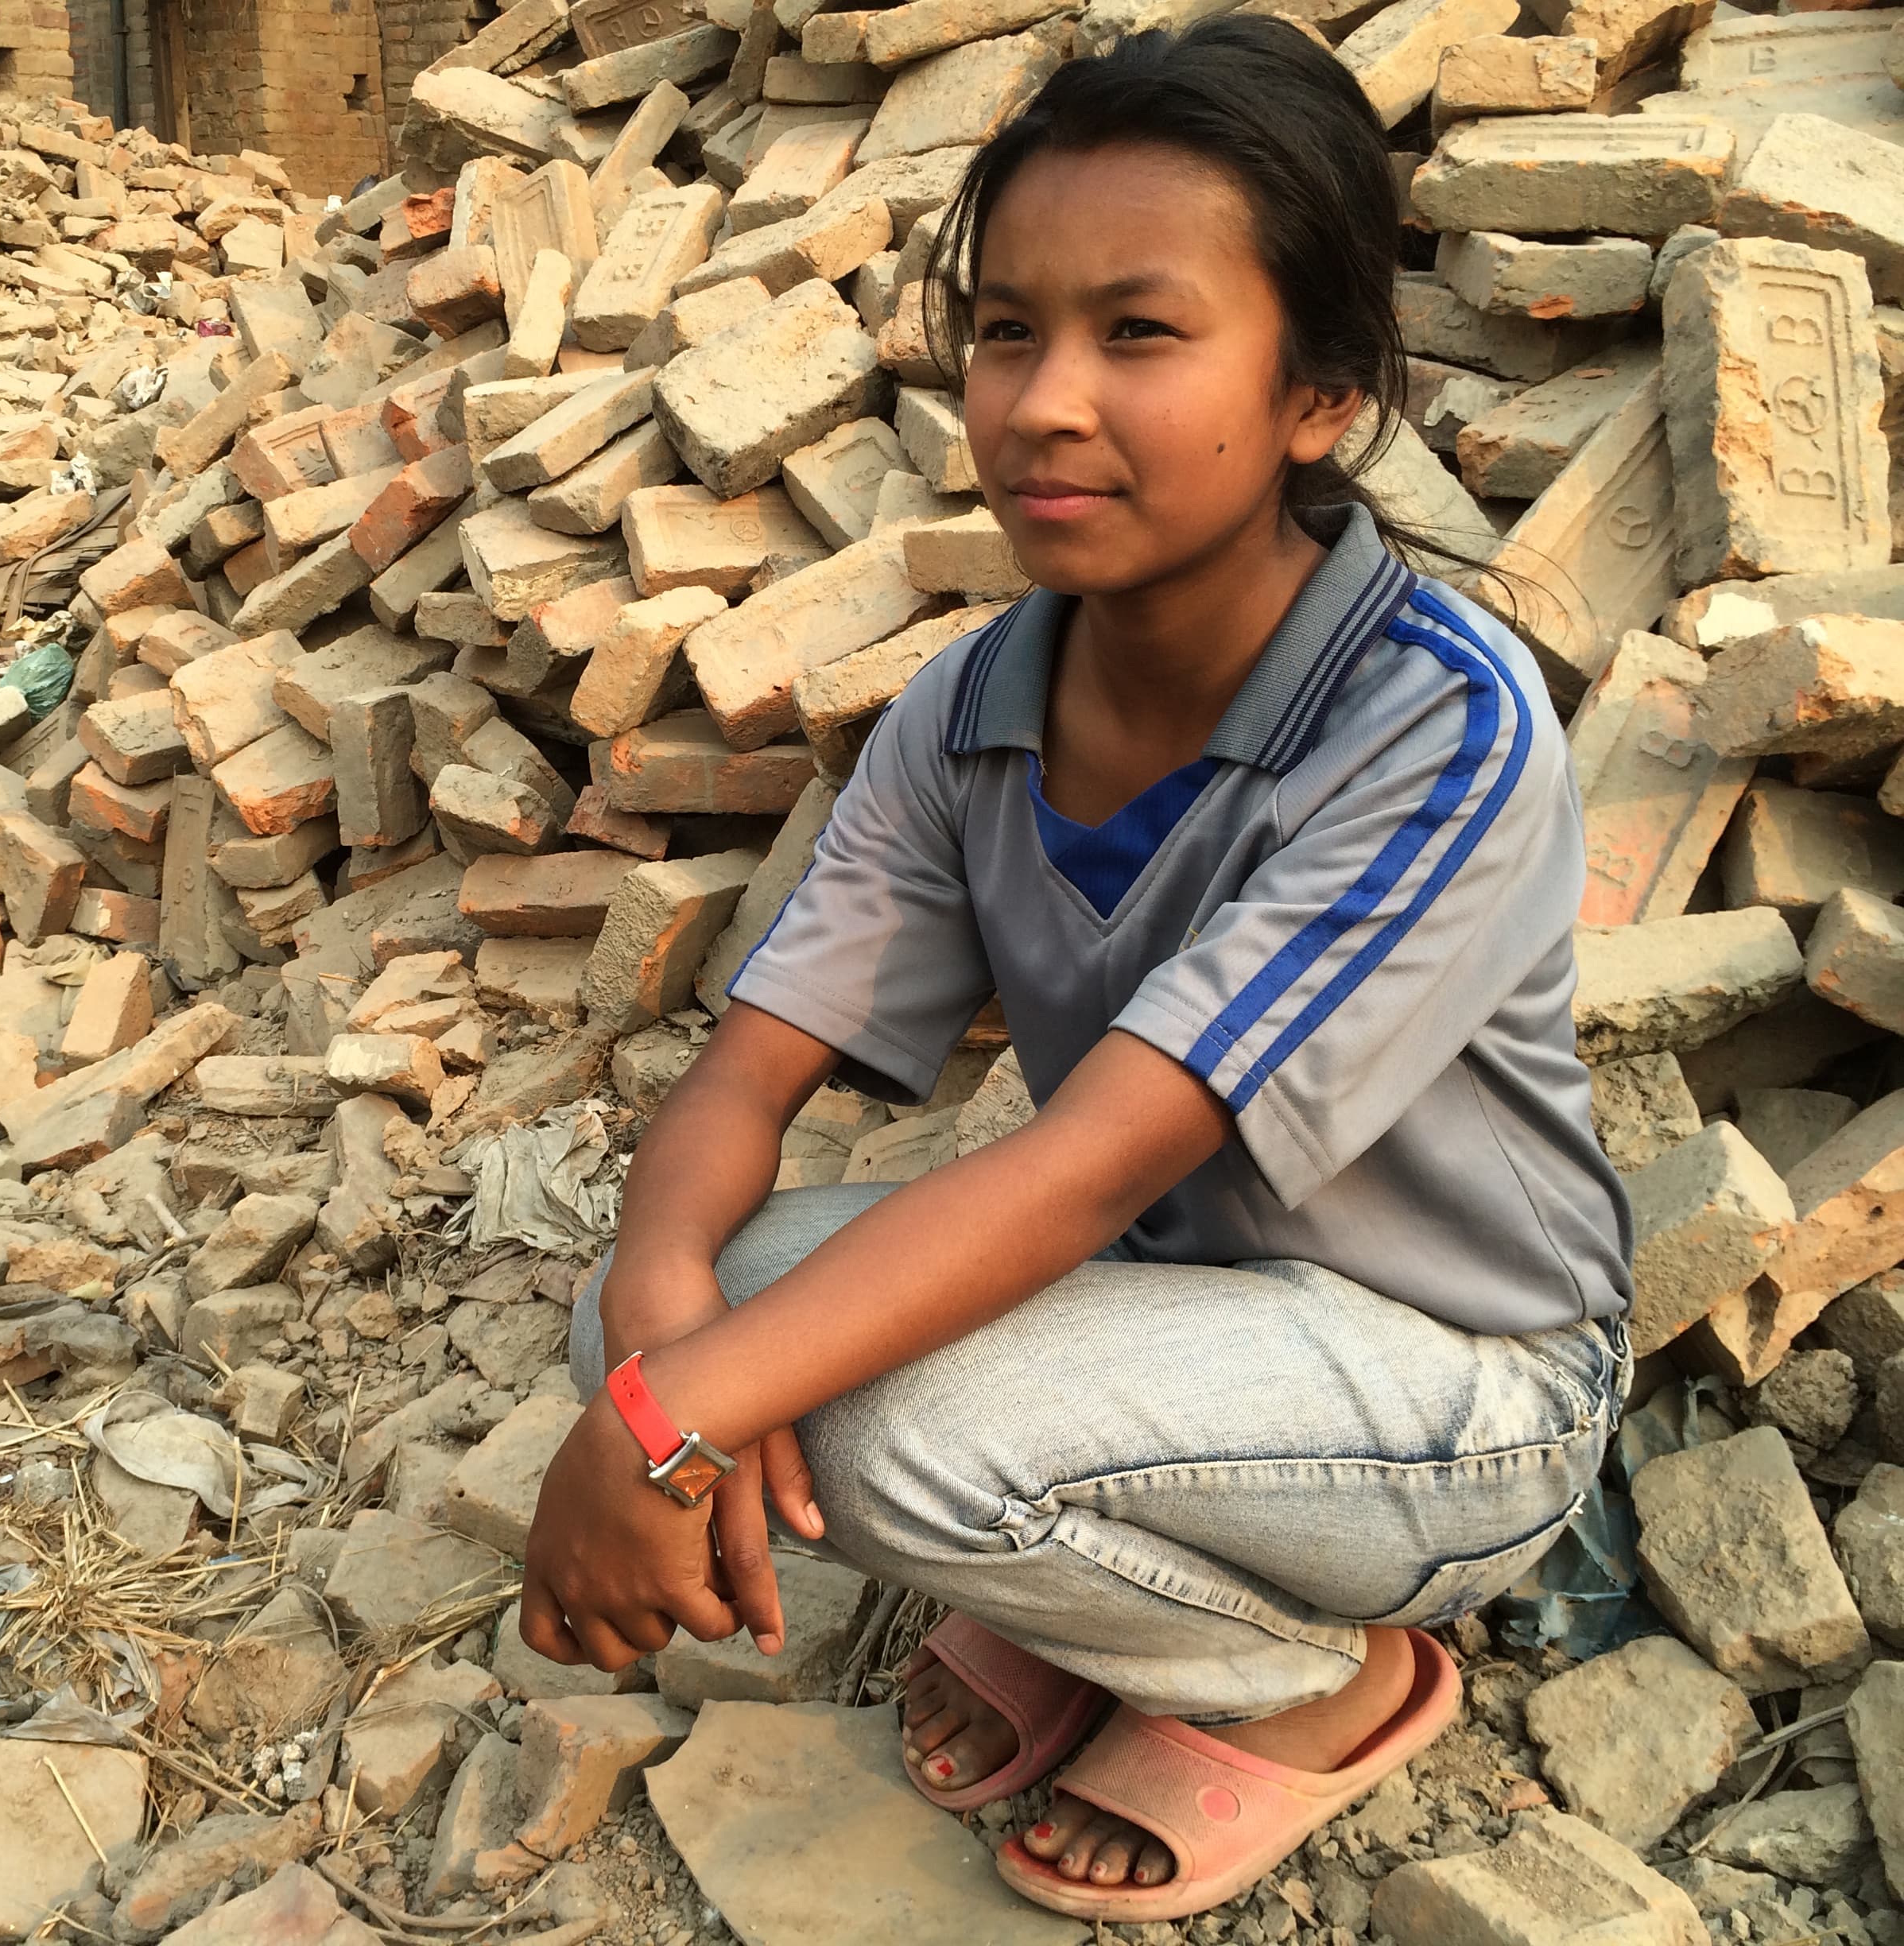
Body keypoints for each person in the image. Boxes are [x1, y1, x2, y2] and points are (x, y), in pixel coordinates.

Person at [513, 14, 1635, 1925]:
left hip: (1458, 1379)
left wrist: (666, 1432)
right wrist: (652, 1349)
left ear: (1323, 399)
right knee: (674, 1298)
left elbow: (1091, 1161)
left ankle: (1322, 1681)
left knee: (874, 1424)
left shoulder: (1437, 724)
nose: (1038, 404)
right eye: (1011, 330)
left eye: (1141, 332)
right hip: (1180, 1308)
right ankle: (1115, 1586)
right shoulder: (979, 696)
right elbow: (747, 1077)